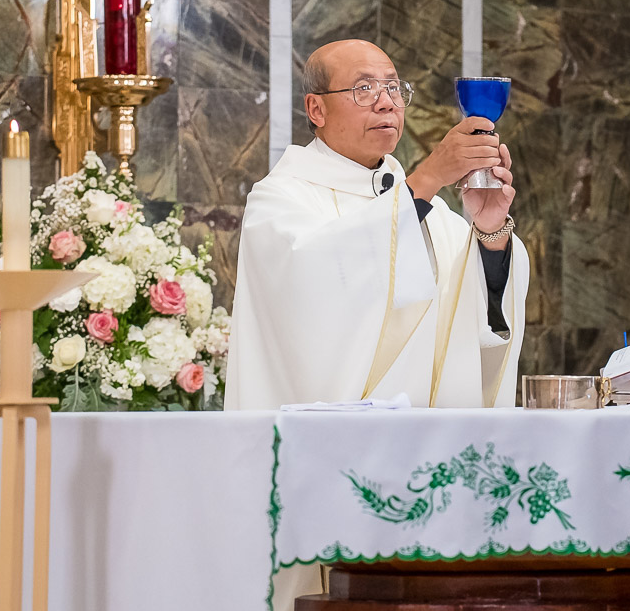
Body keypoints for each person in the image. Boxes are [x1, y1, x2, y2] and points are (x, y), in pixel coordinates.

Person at [225, 39, 529, 409]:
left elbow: (478, 312)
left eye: (393, 87)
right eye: (364, 88)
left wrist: (490, 232)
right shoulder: (280, 199)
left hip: (425, 446)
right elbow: (313, 287)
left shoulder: (425, 209)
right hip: (327, 447)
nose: (386, 102)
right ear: (316, 109)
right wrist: (429, 177)